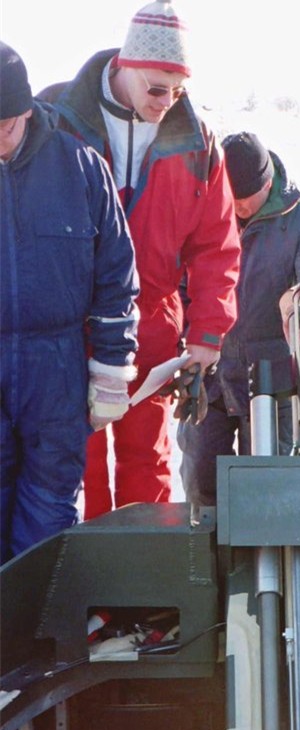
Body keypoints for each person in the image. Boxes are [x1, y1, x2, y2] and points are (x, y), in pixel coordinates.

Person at [42, 0, 240, 519]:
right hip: (67, 328)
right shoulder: (57, 123)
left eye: (178, 91)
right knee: (72, 465)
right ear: (126, 65)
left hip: (151, 329)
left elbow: (216, 245)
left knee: (146, 463)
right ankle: (81, 581)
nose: (166, 102)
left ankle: (137, 588)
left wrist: (205, 336)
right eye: (157, 88)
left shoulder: (200, 144)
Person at [0, 43, 138, 563]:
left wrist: (110, 368)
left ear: (26, 113)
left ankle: (36, 638)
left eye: (5, 126)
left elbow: (116, 275)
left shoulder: (79, 168)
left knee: (49, 514)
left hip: (55, 371)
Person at [178, 131, 300, 505]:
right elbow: (180, 284)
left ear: (267, 184)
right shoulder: (201, 213)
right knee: (201, 482)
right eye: (228, 196)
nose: (235, 206)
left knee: (269, 491)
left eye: (243, 199)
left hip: (271, 381)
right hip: (210, 376)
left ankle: (266, 562)